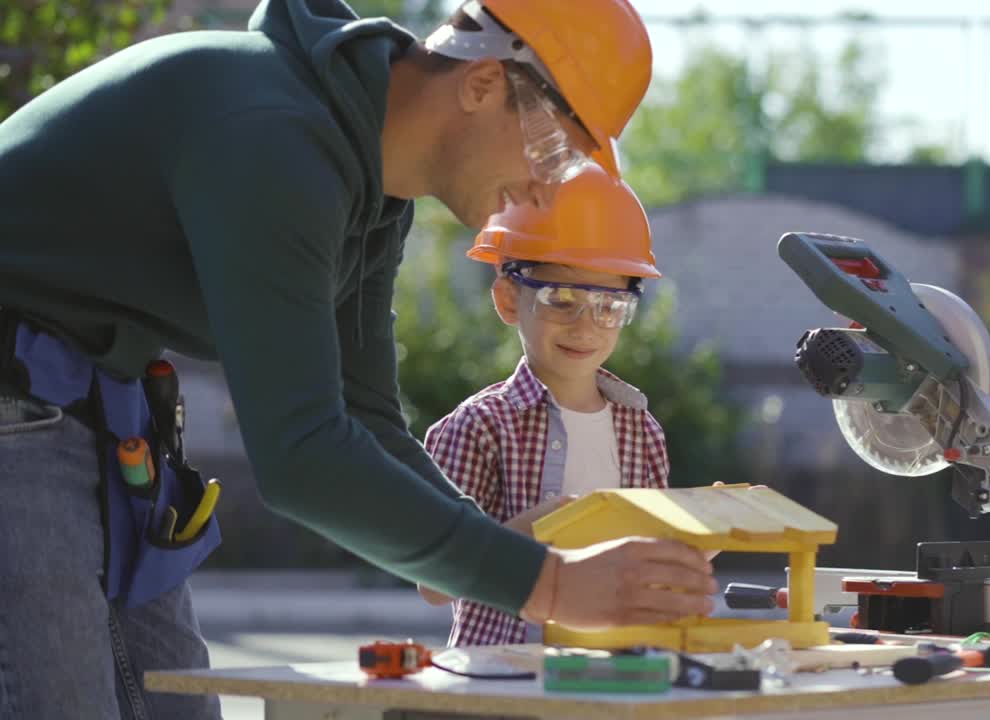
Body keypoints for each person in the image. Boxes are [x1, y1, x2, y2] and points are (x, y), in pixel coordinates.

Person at [0, 0, 716, 717]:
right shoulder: (274, 138)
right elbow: (303, 454)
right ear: (482, 84)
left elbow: (362, 414)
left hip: (88, 406)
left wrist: (479, 543)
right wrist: (548, 585)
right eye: (556, 155)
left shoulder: (373, 190)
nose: (547, 192)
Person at [418, 164, 670, 647]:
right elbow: (433, 582)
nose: (586, 326)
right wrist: (535, 529)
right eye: (561, 299)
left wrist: (695, 542)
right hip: (502, 678)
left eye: (609, 307)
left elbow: (644, 572)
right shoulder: (477, 427)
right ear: (510, 299)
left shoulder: (644, 433)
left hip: (612, 673)